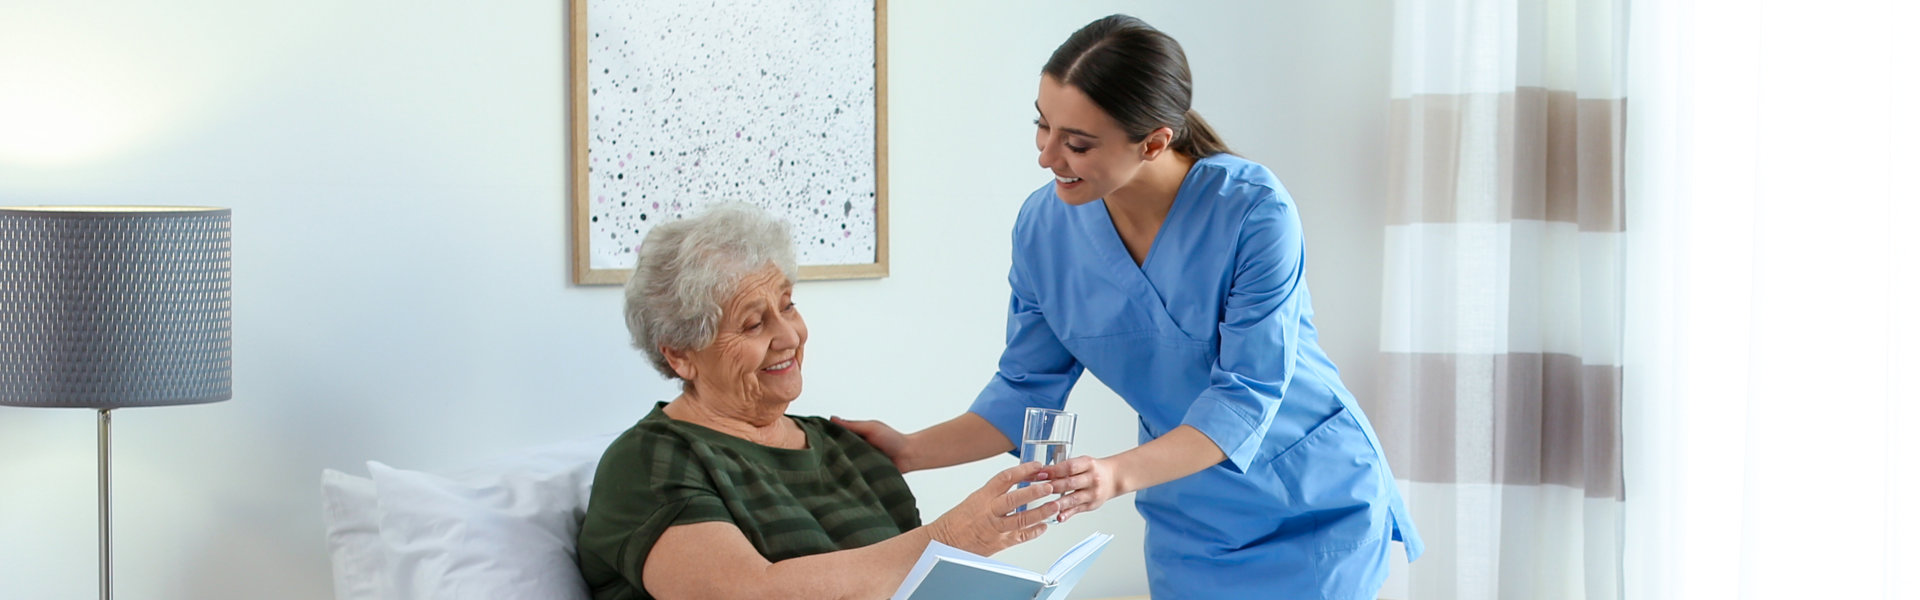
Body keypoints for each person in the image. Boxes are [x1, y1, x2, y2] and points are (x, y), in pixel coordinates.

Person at [833, 14, 1423, 600]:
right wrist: (908, 451)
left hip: (1311, 503)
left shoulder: (1253, 211)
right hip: (1188, 514)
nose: (1047, 156)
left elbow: (1244, 396)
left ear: (1154, 141)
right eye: (1043, 126)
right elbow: (1023, 392)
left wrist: (1112, 475)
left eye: (1077, 143)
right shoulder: (1045, 228)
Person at [576, 203, 1058, 600]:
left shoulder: (850, 450)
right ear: (681, 355)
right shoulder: (650, 462)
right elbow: (751, 594)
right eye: (752, 323)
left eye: (787, 305)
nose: (788, 336)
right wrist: (952, 538)